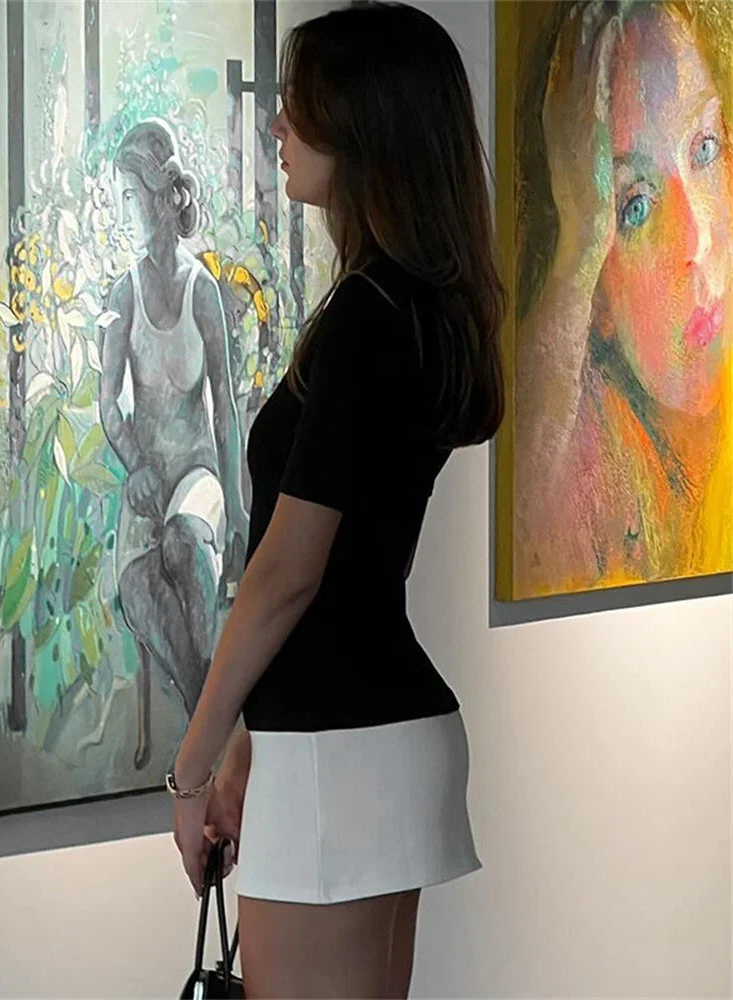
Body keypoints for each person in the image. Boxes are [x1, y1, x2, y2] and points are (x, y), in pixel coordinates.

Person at [167, 2, 505, 996]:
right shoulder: (409, 306)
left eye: (298, 105)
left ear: (363, 125)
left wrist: (191, 766)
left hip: (337, 754)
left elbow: (288, 573)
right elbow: (346, 575)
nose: (277, 124)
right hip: (370, 737)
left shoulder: (367, 314)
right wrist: (245, 747)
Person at [513, 1, 732, 597]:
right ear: (596, 303)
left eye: (705, 148)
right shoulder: (597, 467)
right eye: (635, 206)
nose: (697, 239)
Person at [99, 120, 249, 760]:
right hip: (147, 483)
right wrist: (134, 464)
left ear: (161, 198)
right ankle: (207, 720)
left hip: (196, 477)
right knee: (138, 585)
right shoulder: (123, 294)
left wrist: (237, 510)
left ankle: (201, 737)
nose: (122, 213)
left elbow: (225, 409)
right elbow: (108, 403)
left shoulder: (202, 291)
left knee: (186, 543)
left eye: (129, 197)